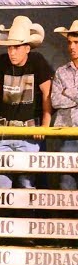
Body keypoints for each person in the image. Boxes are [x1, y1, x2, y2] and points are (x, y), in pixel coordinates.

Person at [0, 15, 53, 189]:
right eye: (9, 48)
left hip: (30, 133)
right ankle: (2, 216)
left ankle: (28, 216)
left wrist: (45, 127)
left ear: (27, 48)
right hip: (4, 132)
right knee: (0, 183)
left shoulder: (37, 61)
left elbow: (47, 93)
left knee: (26, 182)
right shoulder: (1, 61)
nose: (12, 52)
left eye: (16, 47)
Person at [51, 20, 78, 191]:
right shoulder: (61, 71)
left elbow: (61, 98)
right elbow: (55, 100)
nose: (72, 47)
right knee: (66, 185)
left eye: (76, 42)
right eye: (69, 42)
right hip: (67, 135)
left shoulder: (61, 73)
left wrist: (68, 92)